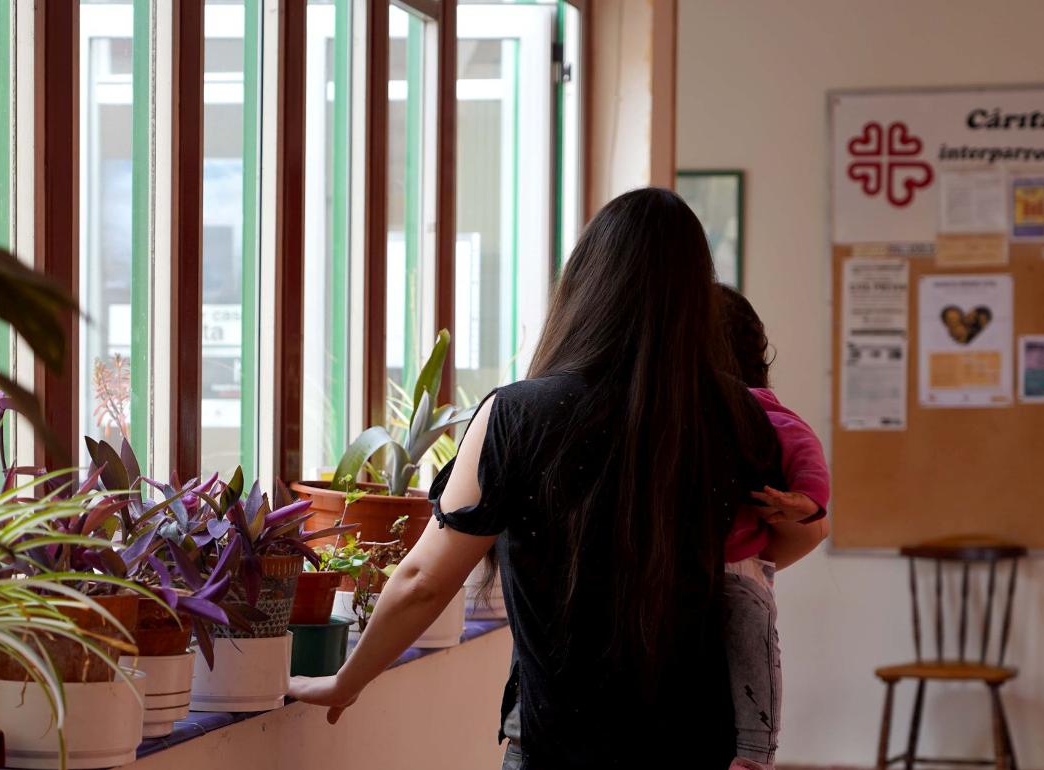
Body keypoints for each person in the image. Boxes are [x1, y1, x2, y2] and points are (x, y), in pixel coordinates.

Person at [289, 187, 787, 769]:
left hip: (558, 748)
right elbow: (779, 542)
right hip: (695, 744)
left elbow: (425, 577)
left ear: (586, 284)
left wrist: (346, 680)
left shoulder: (518, 416)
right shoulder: (737, 416)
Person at [717, 284, 830, 770]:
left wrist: (808, 499)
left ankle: (755, 753)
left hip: (736, 563)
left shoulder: (749, 403)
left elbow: (802, 445)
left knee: (751, 627)